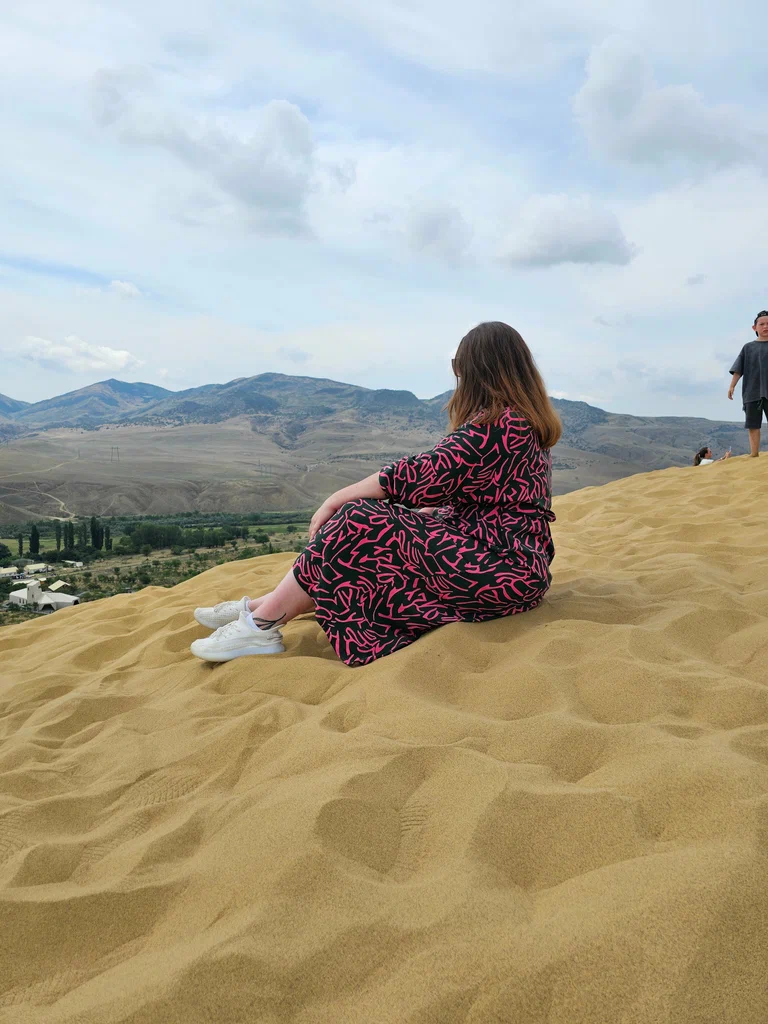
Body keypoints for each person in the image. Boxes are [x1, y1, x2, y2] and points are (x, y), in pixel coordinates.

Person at [189, 321, 562, 668]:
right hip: (501, 565)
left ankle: (260, 624)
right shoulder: (517, 422)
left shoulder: (501, 426)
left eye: (459, 364)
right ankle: (260, 608)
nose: (457, 375)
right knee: (365, 541)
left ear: (480, 369)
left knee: (356, 519)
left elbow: (418, 474)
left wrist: (336, 498)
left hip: (500, 571)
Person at [728, 309, 768, 457]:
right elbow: (739, 369)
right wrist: (732, 386)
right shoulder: (748, 347)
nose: (765, 327)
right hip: (752, 392)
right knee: (753, 425)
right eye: (762, 324)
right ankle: (754, 454)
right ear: (755, 327)